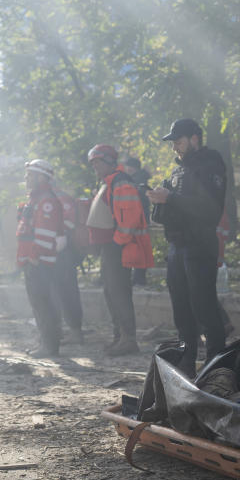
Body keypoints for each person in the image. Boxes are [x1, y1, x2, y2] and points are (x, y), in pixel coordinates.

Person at [149, 119, 228, 377]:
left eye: (179, 142)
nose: (176, 148)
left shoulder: (210, 165)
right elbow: (170, 213)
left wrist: (171, 198)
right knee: (181, 309)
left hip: (199, 246)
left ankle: (216, 365)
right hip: (177, 246)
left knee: (204, 307)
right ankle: (186, 363)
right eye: (173, 143)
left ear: (195, 138)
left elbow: (209, 210)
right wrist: (159, 202)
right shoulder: (177, 171)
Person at [85, 144, 154, 356]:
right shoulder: (109, 182)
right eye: (93, 163)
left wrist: (118, 241)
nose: (94, 166)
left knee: (119, 292)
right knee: (111, 292)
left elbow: (131, 216)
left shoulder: (120, 182)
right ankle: (120, 337)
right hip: (111, 246)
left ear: (108, 162)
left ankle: (128, 339)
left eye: (97, 162)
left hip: (118, 247)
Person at [16, 160, 67, 357]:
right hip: (33, 260)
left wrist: (35, 257)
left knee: (43, 304)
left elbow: (46, 233)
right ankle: (45, 342)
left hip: (40, 262)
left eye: (30, 175)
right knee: (39, 304)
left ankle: (49, 346)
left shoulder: (46, 201)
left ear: (41, 177)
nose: (26, 179)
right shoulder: (36, 199)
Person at [45, 167, 85, 345]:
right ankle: (58, 330)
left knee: (67, 292)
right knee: (53, 293)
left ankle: (75, 332)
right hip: (50, 251)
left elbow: (67, 224)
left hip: (63, 252)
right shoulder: (47, 198)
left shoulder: (61, 198)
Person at [123, 156, 152, 287]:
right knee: (138, 250)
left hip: (138, 221)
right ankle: (137, 279)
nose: (127, 169)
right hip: (139, 221)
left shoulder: (138, 181)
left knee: (138, 250)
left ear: (133, 168)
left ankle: (138, 279)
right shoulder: (138, 179)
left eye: (129, 166)